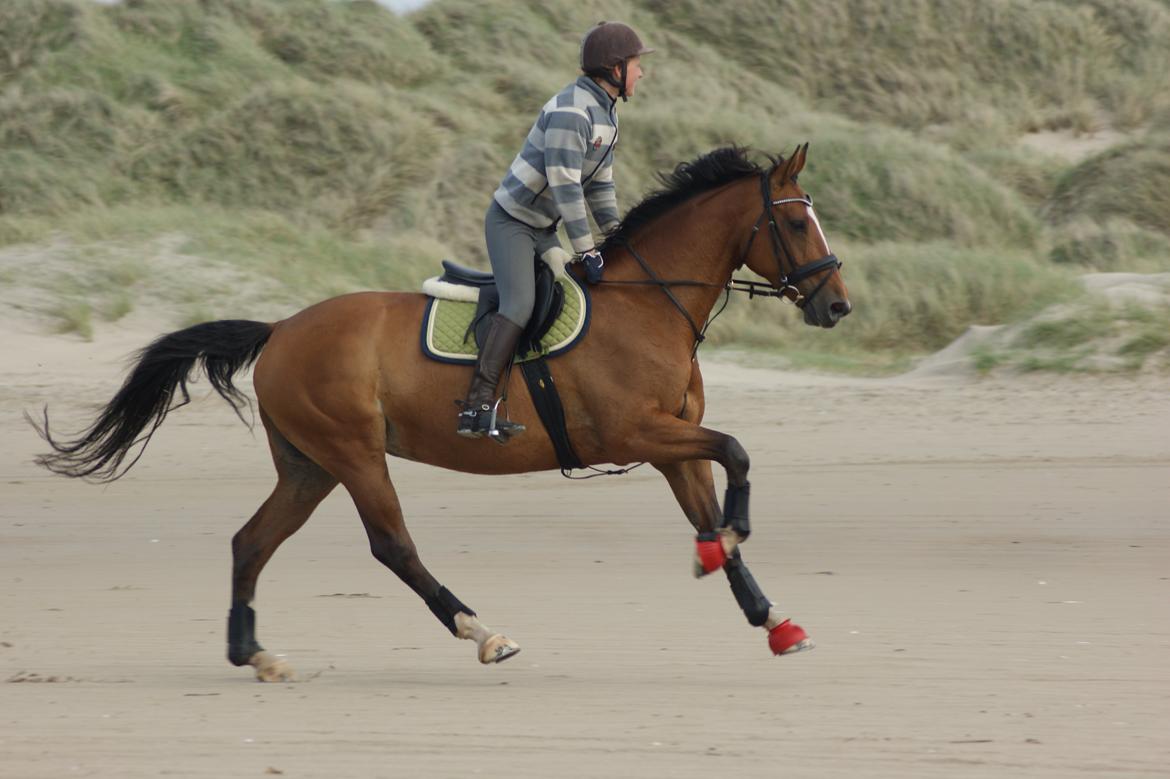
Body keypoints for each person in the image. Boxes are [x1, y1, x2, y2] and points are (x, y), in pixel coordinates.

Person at [457, 21, 652, 440]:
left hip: (544, 228)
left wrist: (617, 239)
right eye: (636, 64)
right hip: (513, 222)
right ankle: (476, 405)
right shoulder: (572, 111)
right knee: (520, 304)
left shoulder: (606, 114)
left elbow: (600, 186)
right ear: (615, 68)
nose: (641, 73)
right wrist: (586, 249)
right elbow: (565, 186)